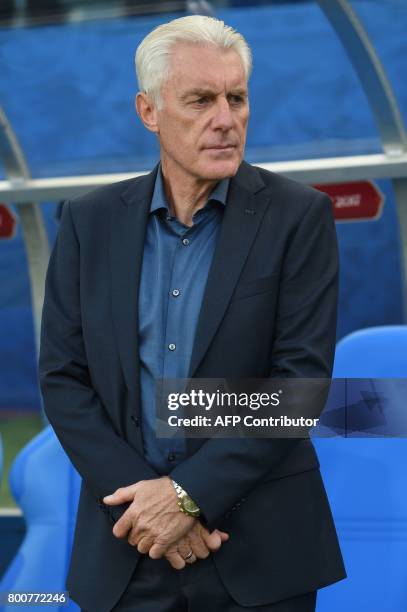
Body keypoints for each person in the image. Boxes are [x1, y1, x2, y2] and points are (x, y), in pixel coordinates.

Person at [38, 15, 346, 612]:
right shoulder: (87, 221)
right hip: (128, 549)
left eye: (237, 98)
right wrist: (146, 507)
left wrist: (184, 497)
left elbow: (298, 387)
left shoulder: (299, 217)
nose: (226, 119)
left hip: (259, 556)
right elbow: (63, 379)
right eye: (201, 100)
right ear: (149, 112)